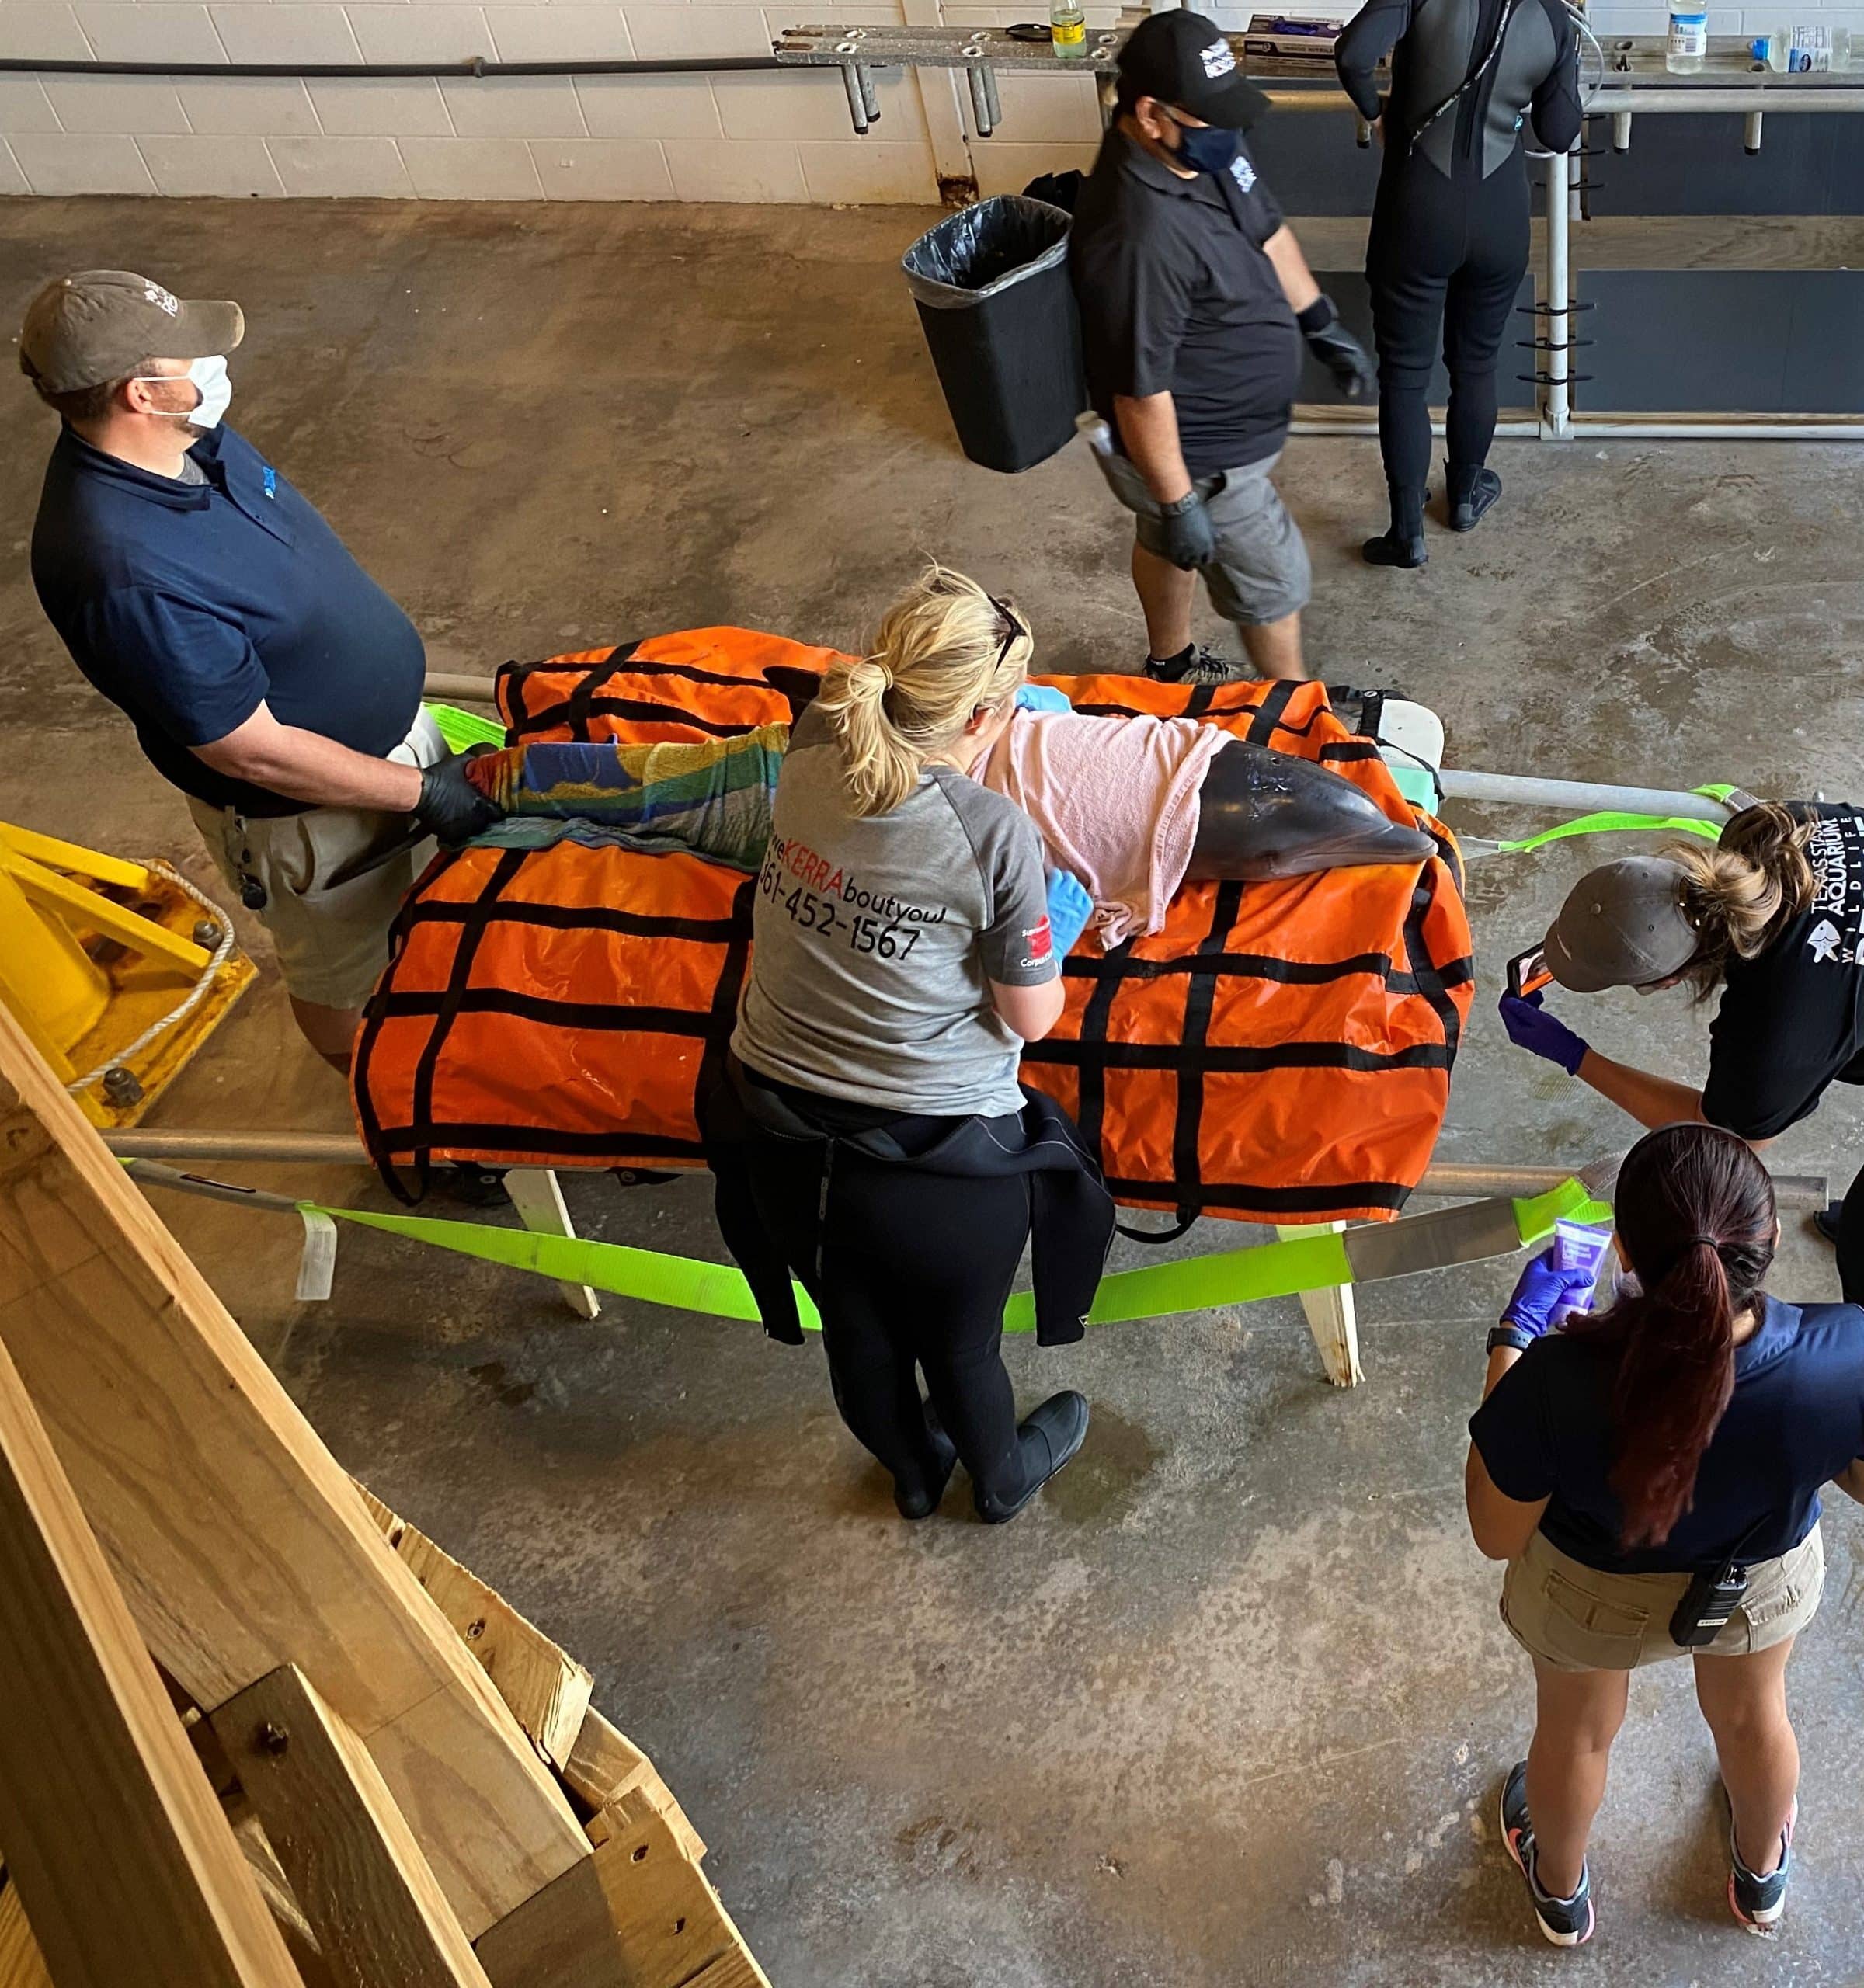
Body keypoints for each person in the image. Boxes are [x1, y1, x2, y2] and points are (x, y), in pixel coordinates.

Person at [704, 566, 1115, 1524]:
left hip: (773, 1129)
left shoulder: (812, 742)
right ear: (984, 718)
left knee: (859, 1338)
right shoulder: (994, 832)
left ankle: (916, 1474)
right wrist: (1055, 916)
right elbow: (1031, 1017)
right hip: (932, 1161)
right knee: (962, 1348)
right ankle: (1003, 1477)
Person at [22, 269, 493, 1073]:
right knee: (346, 975)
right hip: (313, 817)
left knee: (422, 926)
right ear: (142, 392)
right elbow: (249, 751)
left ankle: (435, 1058)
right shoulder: (121, 566)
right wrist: (420, 793)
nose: (211, 364)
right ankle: (389, 1109)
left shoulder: (190, 443)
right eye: (190, 354)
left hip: (389, 746)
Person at [1466, 1124, 1864, 1944]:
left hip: (1589, 1592)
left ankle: (1560, 1891)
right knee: (1756, 1716)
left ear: (1621, 1251)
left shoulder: (1557, 1377)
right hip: (1756, 1581)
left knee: (1576, 1731)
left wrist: (1513, 1339)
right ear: (1773, 1238)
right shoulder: (1845, 1353)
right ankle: (1760, 1877)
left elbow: (1497, 1531)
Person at [1069, 9, 1376, 686]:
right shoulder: (1135, 236)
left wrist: (1319, 319)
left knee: (1162, 543)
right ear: (1151, 114)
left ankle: (1167, 667)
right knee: (1273, 588)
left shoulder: (1201, 144)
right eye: (1213, 116)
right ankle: (1295, 730)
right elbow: (1140, 391)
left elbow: (1266, 229)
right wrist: (1181, 502)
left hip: (1212, 442)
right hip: (1205, 457)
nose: (1232, 132)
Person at [1497, 800, 1864, 1291]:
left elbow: (1730, 1136)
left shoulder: (1775, 1030)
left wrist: (1574, 1054)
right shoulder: (1769, 829)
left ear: (1667, 982)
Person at [1336, 0, 1581, 567]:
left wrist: (1375, 112)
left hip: (1417, 206)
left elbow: (1352, 55)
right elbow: (1560, 131)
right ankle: (1466, 496)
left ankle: (1406, 534)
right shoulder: (1552, 15)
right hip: (1501, 214)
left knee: (1405, 372)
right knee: (1475, 364)